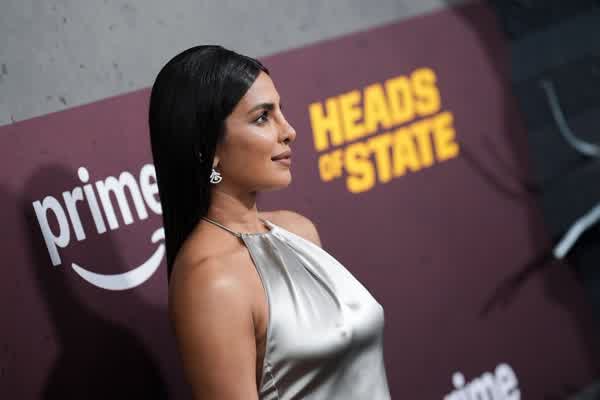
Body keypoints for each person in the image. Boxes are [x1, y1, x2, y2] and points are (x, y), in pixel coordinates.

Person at [148, 45, 391, 399]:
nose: (288, 131)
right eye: (262, 117)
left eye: (280, 111)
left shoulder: (299, 231)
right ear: (207, 148)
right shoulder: (211, 281)